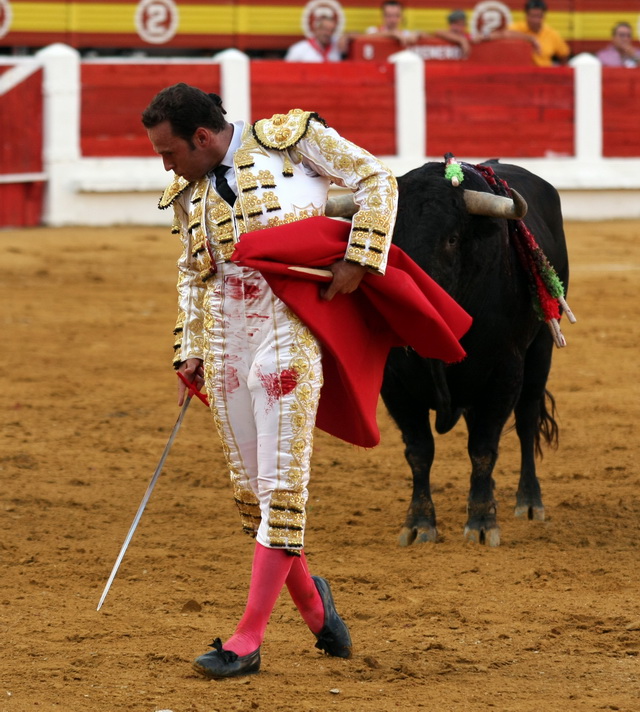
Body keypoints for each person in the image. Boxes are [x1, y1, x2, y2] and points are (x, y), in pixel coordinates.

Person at [141, 83, 398, 679]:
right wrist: (188, 348)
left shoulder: (291, 141)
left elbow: (376, 181)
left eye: (169, 152)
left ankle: (247, 639)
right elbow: (191, 272)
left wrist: (360, 257)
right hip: (226, 340)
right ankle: (315, 608)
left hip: (288, 328)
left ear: (203, 138)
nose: (165, 165)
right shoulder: (189, 189)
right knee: (252, 495)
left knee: (283, 486)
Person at [488, 0, 570, 67]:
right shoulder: (518, 28)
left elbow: (564, 55)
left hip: (543, 75)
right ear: (526, 15)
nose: (535, 20)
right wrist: (530, 38)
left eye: (538, 16)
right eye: (532, 16)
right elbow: (500, 34)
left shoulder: (552, 34)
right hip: (522, 74)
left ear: (544, 16)